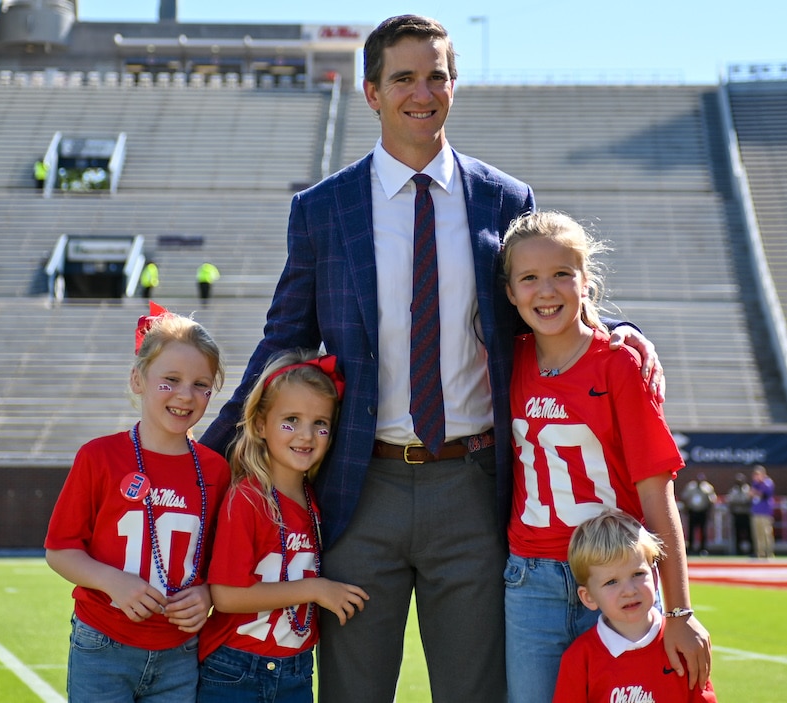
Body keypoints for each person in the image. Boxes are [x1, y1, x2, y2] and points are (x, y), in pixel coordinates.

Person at [200, 15, 666, 703]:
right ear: (371, 92)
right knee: (354, 692)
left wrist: (621, 329)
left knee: (474, 691)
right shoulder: (323, 210)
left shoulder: (505, 200)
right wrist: (207, 458)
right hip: (362, 486)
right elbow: (284, 342)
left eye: (437, 76)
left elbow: (545, 295)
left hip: (471, 486)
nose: (423, 92)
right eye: (403, 78)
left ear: (455, 85)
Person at [501, 210, 709, 703]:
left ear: (586, 282)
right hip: (531, 578)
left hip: (619, 577)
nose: (545, 291)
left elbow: (659, 496)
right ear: (509, 293)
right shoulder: (506, 359)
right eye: (529, 278)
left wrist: (680, 611)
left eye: (561, 275)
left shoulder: (618, 362)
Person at [44, 302, 230, 701]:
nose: (185, 394)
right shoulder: (99, 456)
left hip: (180, 649)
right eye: (171, 379)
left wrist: (207, 594)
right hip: (103, 645)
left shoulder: (215, 469)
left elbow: (221, 560)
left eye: (201, 384)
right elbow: (60, 550)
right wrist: (113, 582)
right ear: (138, 379)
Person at [197, 350, 369, 702]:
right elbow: (226, 596)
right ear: (260, 424)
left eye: (320, 424)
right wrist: (317, 589)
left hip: (296, 670)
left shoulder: (316, 499)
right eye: (291, 420)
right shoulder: (247, 498)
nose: (306, 435)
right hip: (235, 670)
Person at [553, 509, 717, 703]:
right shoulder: (579, 658)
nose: (629, 590)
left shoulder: (682, 643)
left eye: (638, 574)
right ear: (588, 597)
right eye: (612, 582)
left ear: (655, 577)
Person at [680, 473, 716, 556]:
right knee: (691, 531)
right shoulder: (690, 487)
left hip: (703, 511)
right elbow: (684, 497)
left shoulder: (708, 488)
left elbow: (712, 500)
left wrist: (709, 511)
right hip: (692, 511)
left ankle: (703, 549)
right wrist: (686, 508)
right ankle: (691, 548)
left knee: (703, 531)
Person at [750, 465, 776, 560]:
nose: (756, 477)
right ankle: (759, 553)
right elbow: (750, 494)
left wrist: (755, 492)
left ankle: (768, 553)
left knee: (766, 533)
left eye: (758, 475)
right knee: (757, 534)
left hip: (765, 512)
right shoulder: (755, 483)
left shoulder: (767, 483)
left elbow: (763, 494)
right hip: (756, 511)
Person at [724, 472, 752, 556]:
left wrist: (741, 502)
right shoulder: (733, 490)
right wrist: (740, 502)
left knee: (748, 533)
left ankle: (750, 550)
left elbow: (748, 500)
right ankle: (737, 550)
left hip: (746, 514)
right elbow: (730, 500)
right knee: (737, 534)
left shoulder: (747, 489)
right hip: (737, 514)